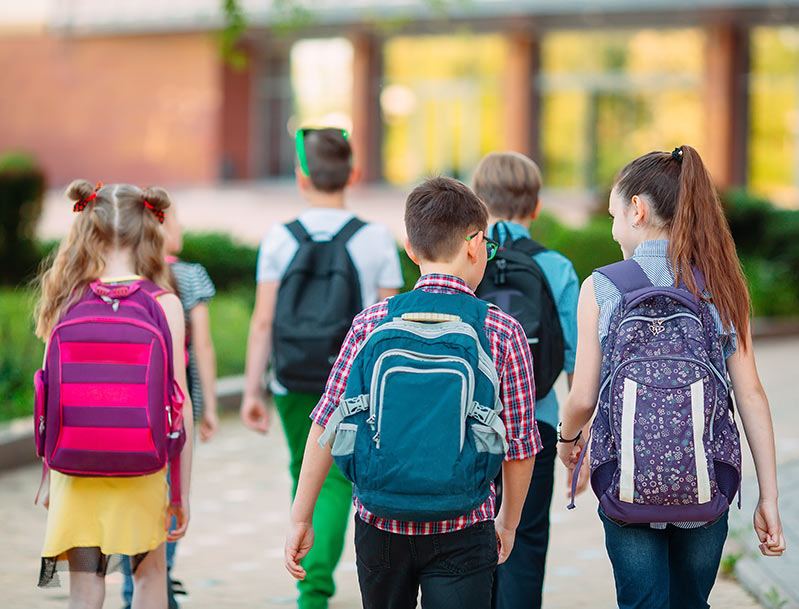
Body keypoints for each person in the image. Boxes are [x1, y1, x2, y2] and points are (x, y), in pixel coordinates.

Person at [285, 176, 541, 609]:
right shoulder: (501, 330)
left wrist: (300, 516)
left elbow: (328, 419)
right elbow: (520, 444)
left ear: (410, 247)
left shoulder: (371, 323)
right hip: (464, 522)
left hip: (379, 522)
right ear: (475, 244)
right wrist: (508, 523)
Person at [557, 146, 786, 609]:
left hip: (625, 482)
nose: (613, 226)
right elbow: (753, 397)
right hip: (706, 481)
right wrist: (769, 497)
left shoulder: (601, 286)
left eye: (614, 215)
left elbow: (582, 397)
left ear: (636, 209)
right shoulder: (721, 284)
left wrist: (567, 442)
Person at [241, 127, 403, 609]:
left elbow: (263, 319)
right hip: (350, 383)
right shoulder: (374, 237)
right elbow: (387, 323)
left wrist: (253, 390)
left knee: (302, 467)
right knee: (335, 479)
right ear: (352, 174)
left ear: (301, 177)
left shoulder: (278, 237)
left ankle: (308, 582)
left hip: (290, 376)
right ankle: (313, 589)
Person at [35, 180, 193, 609]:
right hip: (142, 469)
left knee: (86, 589)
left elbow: (49, 395)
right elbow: (180, 407)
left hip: (74, 470)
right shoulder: (164, 304)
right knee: (149, 578)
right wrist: (179, 492)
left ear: (87, 229)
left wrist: (49, 475)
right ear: (150, 231)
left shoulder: (65, 301)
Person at [472, 152, 580, 609]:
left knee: (468, 540)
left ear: (476, 201)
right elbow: (577, 358)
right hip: (536, 425)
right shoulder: (555, 267)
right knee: (526, 537)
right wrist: (581, 438)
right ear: (536, 207)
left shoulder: (467, 257)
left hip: (467, 424)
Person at [121, 204, 218, 608]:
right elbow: (204, 346)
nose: (180, 228)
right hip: (176, 414)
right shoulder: (189, 275)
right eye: (176, 221)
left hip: (130, 414)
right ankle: (155, 581)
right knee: (170, 495)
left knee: (136, 496)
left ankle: (136, 584)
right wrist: (210, 406)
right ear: (159, 230)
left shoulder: (127, 280)